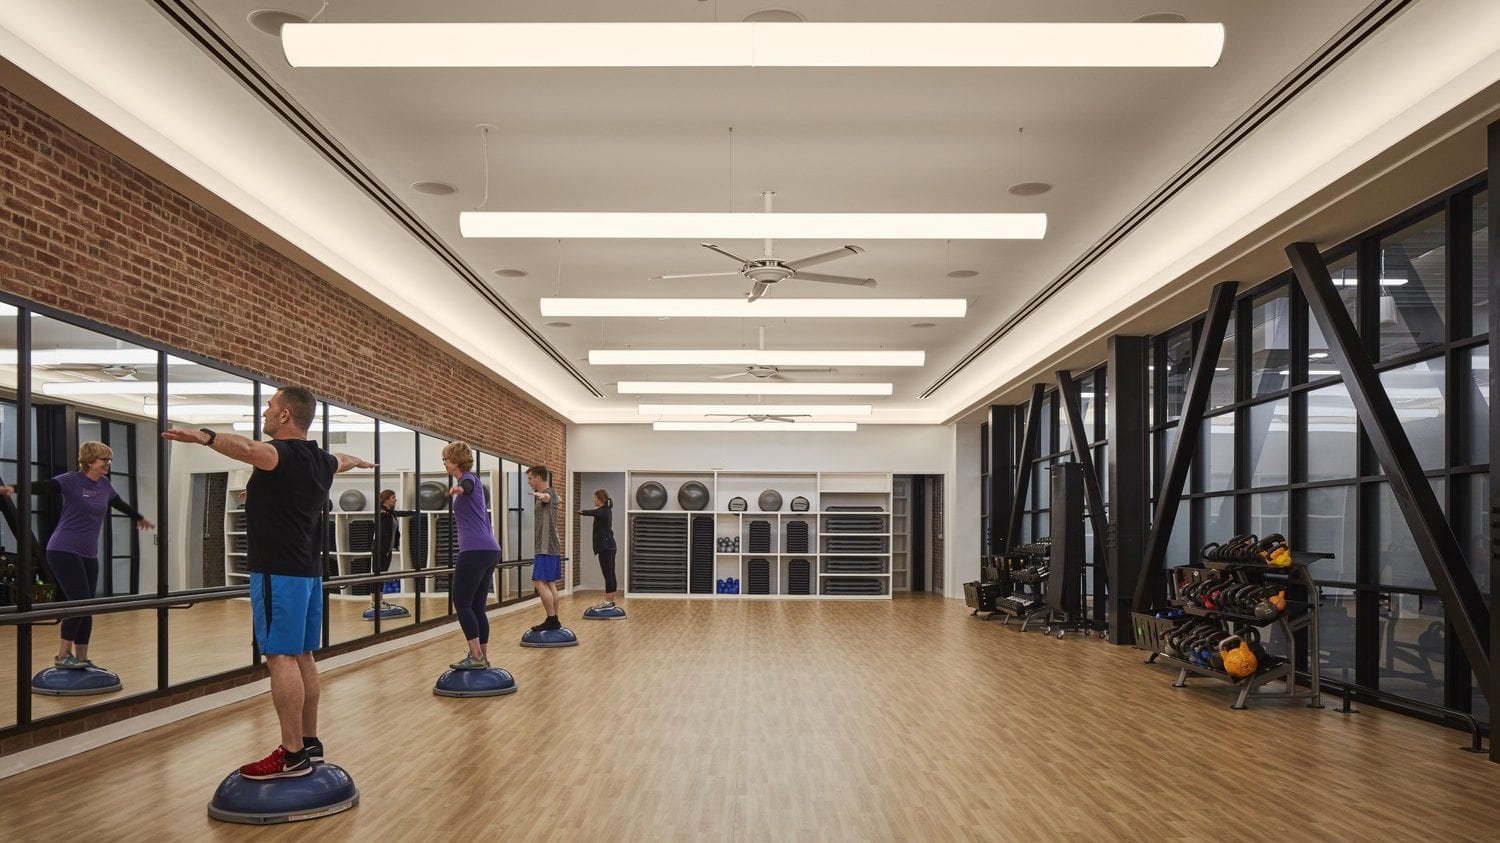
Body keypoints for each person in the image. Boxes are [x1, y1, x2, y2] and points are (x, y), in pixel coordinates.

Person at [163, 386, 373, 780]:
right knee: (304, 655)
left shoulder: (280, 454)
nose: (265, 410)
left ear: (284, 417)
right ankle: (310, 744)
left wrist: (204, 436)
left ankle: (291, 753)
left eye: (271, 406)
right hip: (308, 572)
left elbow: (247, 449)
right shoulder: (321, 459)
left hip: (279, 572)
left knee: (280, 657)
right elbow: (341, 460)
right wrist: (357, 461)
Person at [0, 442, 154, 670]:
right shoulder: (72, 480)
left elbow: (118, 503)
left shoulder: (104, 485)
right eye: (104, 460)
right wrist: (13, 488)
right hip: (63, 548)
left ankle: (82, 657)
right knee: (79, 601)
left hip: (88, 553)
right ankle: (63, 655)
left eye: (109, 461)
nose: (108, 465)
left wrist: (139, 517)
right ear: (90, 461)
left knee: (87, 605)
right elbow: (43, 486)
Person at [442, 442, 503, 669]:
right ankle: (481, 656)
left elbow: (466, 485)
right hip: (490, 550)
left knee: (461, 602)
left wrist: (459, 489)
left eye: (446, 459)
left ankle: (476, 656)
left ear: (456, 461)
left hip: (475, 550)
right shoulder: (471, 481)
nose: (445, 463)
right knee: (477, 606)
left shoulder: (469, 480)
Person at [526, 466, 563, 631]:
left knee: (539, 581)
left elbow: (548, 497)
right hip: (550, 545)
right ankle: (554, 619)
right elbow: (555, 499)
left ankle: (552, 618)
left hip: (545, 546)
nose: (528, 482)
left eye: (530, 478)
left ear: (538, 478)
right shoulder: (554, 493)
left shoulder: (548, 493)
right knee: (550, 583)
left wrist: (543, 496)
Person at [370, 489, 415, 615]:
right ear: (385, 500)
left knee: (383, 575)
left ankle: (380, 600)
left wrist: (413, 512)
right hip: (379, 549)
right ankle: (374, 602)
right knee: (377, 575)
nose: (395, 499)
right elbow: (381, 517)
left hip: (388, 550)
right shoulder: (381, 513)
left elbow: (398, 513)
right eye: (393, 497)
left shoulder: (390, 512)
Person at [579, 489, 617, 610]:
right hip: (610, 546)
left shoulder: (603, 511)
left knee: (608, 574)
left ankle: (609, 601)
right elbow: (596, 513)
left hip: (606, 547)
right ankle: (610, 601)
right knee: (610, 573)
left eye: (595, 498)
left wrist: (581, 512)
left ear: (600, 499)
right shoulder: (607, 510)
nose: (593, 500)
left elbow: (595, 512)